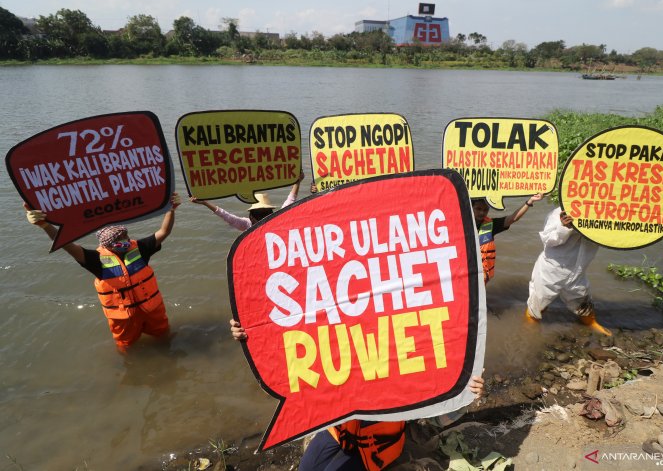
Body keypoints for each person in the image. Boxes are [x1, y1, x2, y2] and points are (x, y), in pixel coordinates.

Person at [229, 320, 485, 471]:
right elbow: (289, 357)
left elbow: (437, 415)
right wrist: (253, 333)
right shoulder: (341, 337)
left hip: (379, 447)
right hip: (338, 432)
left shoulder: (411, 355)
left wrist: (467, 393)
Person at [25, 193, 181, 351]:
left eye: (125, 236)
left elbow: (164, 232)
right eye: (118, 240)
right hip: (123, 318)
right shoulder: (96, 260)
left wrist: (171, 209)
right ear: (107, 245)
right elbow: (67, 246)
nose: (124, 241)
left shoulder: (140, 248)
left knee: (164, 337)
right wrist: (45, 225)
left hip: (151, 309)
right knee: (126, 348)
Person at [525, 208, 612, 336]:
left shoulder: (604, 212)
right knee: (538, 302)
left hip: (578, 270)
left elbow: (612, 236)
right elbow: (548, 239)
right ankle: (529, 332)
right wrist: (564, 227)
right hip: (552, 269)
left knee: (582, 299)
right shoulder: (558, 212)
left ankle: (590, 323)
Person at [191, 170, 305, 230]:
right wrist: (205, 203)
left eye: (263, 213)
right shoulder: (248, 225)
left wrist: (297, 182)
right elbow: (226, 216)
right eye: (260, 214)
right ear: (251, 216)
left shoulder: (274, 221)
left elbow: (290, 200)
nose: (262, 218)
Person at [472, 193, 544, 284]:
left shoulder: (492, 225)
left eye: (485, 210)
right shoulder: (459, 224)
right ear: (471, 208)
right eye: (478, 209)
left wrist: (530, 201)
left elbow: (512, 218)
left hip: (481, 275)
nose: (482, 212)